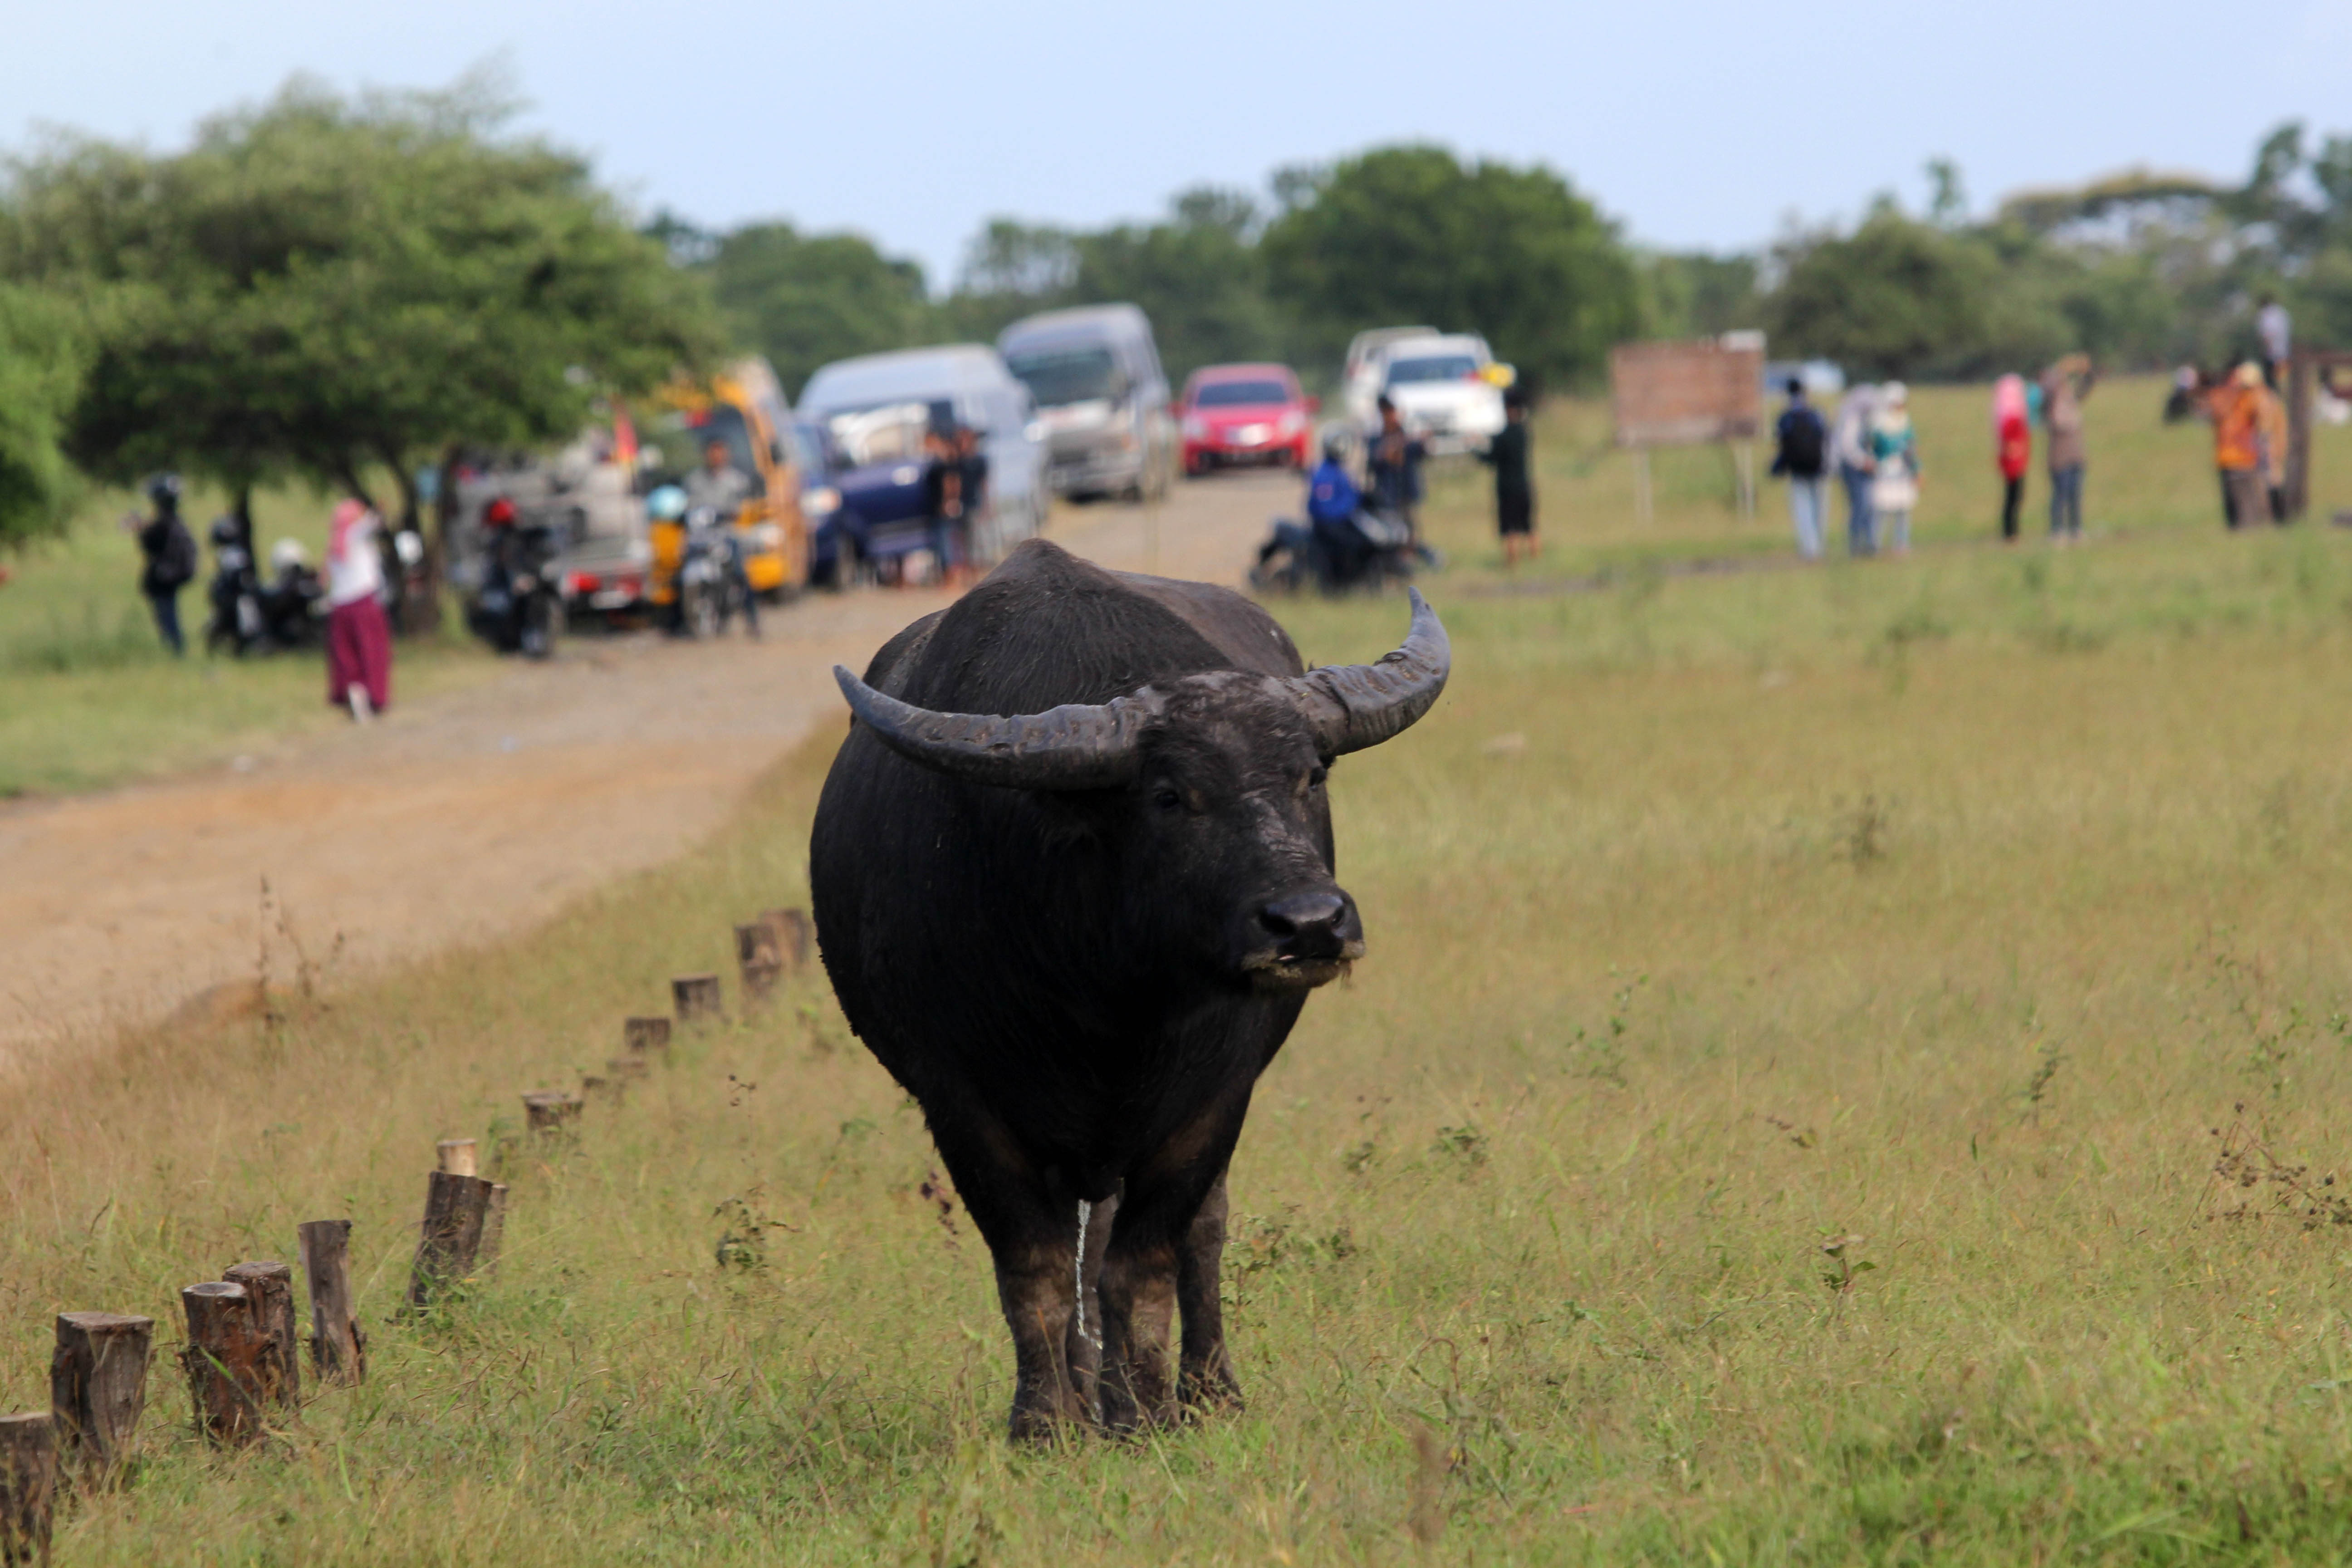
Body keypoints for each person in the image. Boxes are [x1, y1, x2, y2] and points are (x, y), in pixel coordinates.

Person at [323, 498, 392, 719]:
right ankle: (374, 696)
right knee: (372, 651)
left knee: (347, 655)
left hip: (340, 607)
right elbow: (373, 524)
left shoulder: (335, 544)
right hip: (363, 603)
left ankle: (354, 690)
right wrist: (377, 511)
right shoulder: (355, 535)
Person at [129, 473, 197, 656]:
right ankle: (176, 651)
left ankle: (177, 652)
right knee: (168, 615)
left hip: (165, 579)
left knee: (167, 617)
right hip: (169, 578)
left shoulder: (165, 525)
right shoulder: (175, 523)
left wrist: (139, 529)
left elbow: (149, 544)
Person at [1768, 377, 1828, 560]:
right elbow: (1826, 437)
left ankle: (1809, 549)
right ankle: (1820, 545)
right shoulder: (1816, 413)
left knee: (1802, 508)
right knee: (1820, 507)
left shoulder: (1786, 417)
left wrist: (1777, 467)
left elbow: (1782, 444)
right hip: (1818, 466)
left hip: (1797, 469)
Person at [1478, 387, 1537, 566]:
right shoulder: (1524, 432)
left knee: (1510, 528)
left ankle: (1512, 562)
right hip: (1525, 484)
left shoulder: (1503, 436)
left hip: (1507, 487)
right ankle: (1535, 559)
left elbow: (1491, 458)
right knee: (1529, 526)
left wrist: (1476, 450)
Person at [2204, 363, 2267, 529]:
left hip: (2246, 458)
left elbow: (2263, 416)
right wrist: (2234, 392)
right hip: (2229, 458)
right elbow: (2218, 412)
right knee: (2235, 508)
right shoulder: (2221, 396)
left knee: (2249, 508)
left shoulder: (2249, 398)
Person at [2040, 354, 2094, 543]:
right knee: (2061, 492)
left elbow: (2086, 388)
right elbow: (2048, 388)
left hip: (2075, 450)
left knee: (2075, 493)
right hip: (2059, 452)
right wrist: (2061, 369)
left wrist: (2086, 373)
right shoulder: (2051, 397)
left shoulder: (2070, 396)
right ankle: (2057, 530)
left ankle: (2075, 529)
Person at [1869, 383, 1920, 555]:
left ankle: (1901, 544)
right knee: (1881, 509)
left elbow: (1911, 448)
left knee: (1903, 509)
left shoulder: (1905, 421)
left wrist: (1916, 470)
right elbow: (1875, 448)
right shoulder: (1878, 423)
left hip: (1902, 472)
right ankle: (1874, 543)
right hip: (1884, 471)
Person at [1364, 397, 1426, 534]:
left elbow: (1420, 452)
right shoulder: (1376, 437)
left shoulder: (1407, 434)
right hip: (1387, 491)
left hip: (1406, 489)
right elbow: (1372, 462)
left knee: (1409, 526)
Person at [1831, 384, 1878, 556]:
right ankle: (1856, 544)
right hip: (1851, 468)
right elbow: (1847, 447)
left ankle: (1870, 542)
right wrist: (1864, 462)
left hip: (1863, 467)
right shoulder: (1852, 418)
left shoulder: (1864, 419)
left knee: (1868, 506)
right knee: (1860, 505)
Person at [921, 424, 965, 586]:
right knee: (944, 540)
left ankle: (951, 576)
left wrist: (948, 502)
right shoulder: (937, 459)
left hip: (942, 507)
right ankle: (949, 575)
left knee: (946, 540)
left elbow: (950, 481)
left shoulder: (941, 460)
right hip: (936, 506)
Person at [1993, 375, 2033, 542]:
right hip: (2013, 464)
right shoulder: (2011, 419)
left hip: (2015, 463)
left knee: (2014, 497)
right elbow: (2011, 445)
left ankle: (2012, 532)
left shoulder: (2006, 418)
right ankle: (2010, 533)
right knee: (2013, 498)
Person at [684, 437, 753, 519]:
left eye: (720, 452)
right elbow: (688, 508)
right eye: (712, 453)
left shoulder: (740, 482)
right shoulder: (693, 481)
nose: (716, 456)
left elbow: (746, 509)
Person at [2255, 371, 2292, 523]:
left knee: (2272, 483)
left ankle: (2279, 518)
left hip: (2268, 447)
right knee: (2268, 484)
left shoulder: (2267, 400)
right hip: (2266, 447)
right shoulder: (2268, 398)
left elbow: (2267, 428)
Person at [2257, 294, 2291, 389]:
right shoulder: (2281, 313)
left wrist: (2266, 349)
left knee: (2271, 384)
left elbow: (2268, 335)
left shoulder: (2267, 315)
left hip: (2272, 354)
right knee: (2283, 382)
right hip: (2284, 354)